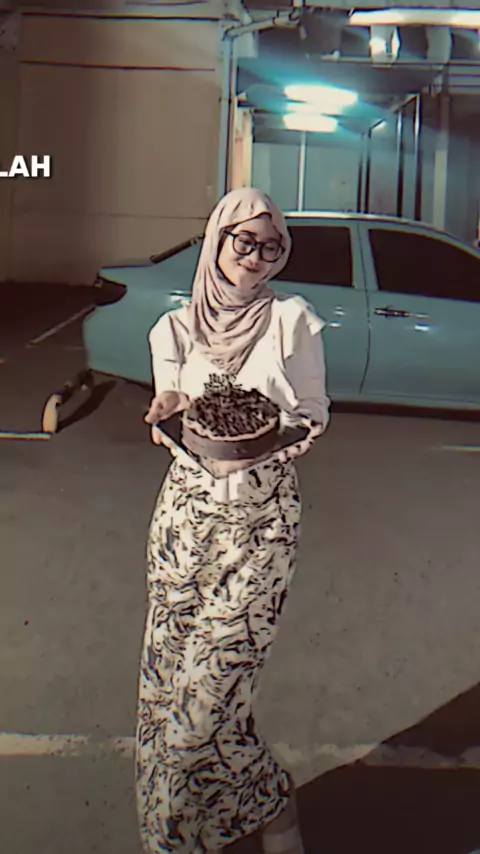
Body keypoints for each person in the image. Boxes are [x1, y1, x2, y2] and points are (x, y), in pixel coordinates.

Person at [136, 188, 330, 854]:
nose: (256, 256)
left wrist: (271, 439)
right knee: (166, 698)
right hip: (185, 525)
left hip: (262, 525)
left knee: (202, 708)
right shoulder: (174, 330)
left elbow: (313, 413)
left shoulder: (292, 322)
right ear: (217, 240)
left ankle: (268, 799)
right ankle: (191, 835)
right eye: (243, 241)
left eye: (271, 246)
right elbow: (171, 407)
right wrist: (166, 412)